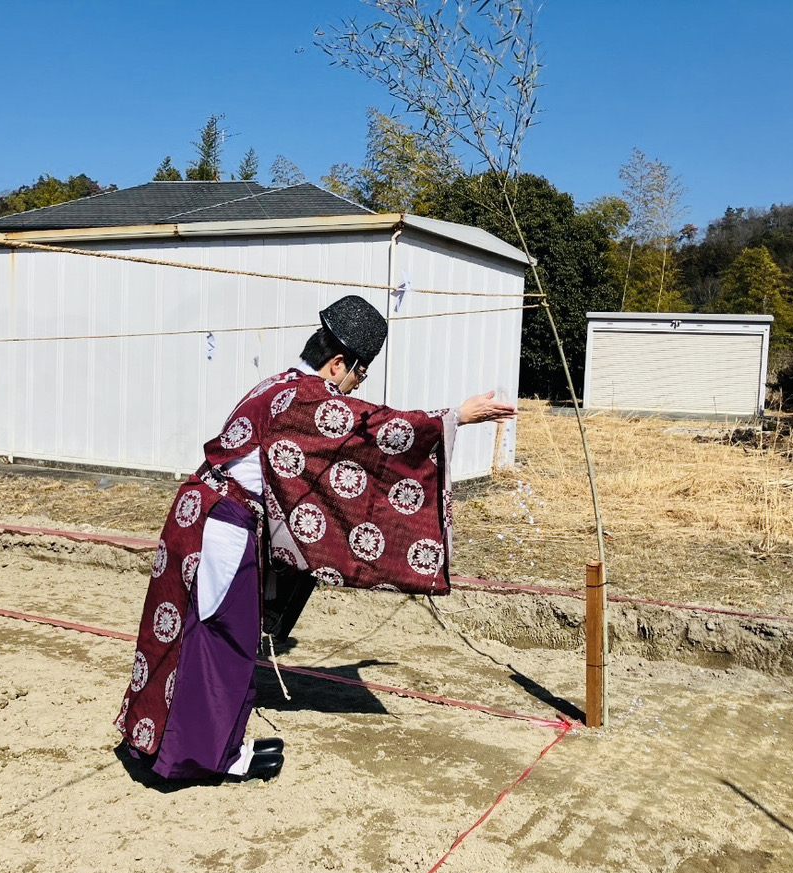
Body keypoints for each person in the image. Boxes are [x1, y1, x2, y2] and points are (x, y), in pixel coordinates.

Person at [114, 294, 516, 783]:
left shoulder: (278, 385)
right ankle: (201, 757)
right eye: (359, 374)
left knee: (183, 629)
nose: (357, 386)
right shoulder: (307, 397)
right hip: (221, 523)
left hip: (199, 514)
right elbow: (375, 431)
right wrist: (454, 417)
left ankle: (159, 739)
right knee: (223, 638)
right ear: (339, 363)